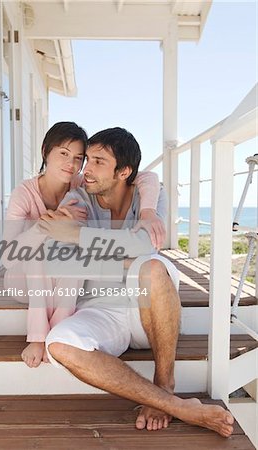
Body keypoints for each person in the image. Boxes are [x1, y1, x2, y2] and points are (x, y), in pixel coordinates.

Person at [39, 127, 234, 437]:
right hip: (100, 308)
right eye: (87, 159)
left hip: (150, 310)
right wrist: (124, 255)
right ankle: (176, 405)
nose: (85, 169)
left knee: (153, 268)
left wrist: (78, 237)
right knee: (59, 344)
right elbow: (57, 253)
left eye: (98, 161)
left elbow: (146, 247)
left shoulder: (150, 195)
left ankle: (164, 382)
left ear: (124, 171)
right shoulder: (77, 197)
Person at [2, 122, 165, 368]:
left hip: (60, 276)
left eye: (79, 158)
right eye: (64, 154)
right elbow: (8, 257)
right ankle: (37, 336)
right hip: (24, 276)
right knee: (41, 252)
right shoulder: (24, 194)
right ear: (46, 150)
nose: (73, 164)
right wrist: (46, 225)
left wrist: (149, 211)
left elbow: (147, 177)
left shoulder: (79, 184)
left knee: (74, 256)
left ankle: (59, 328)